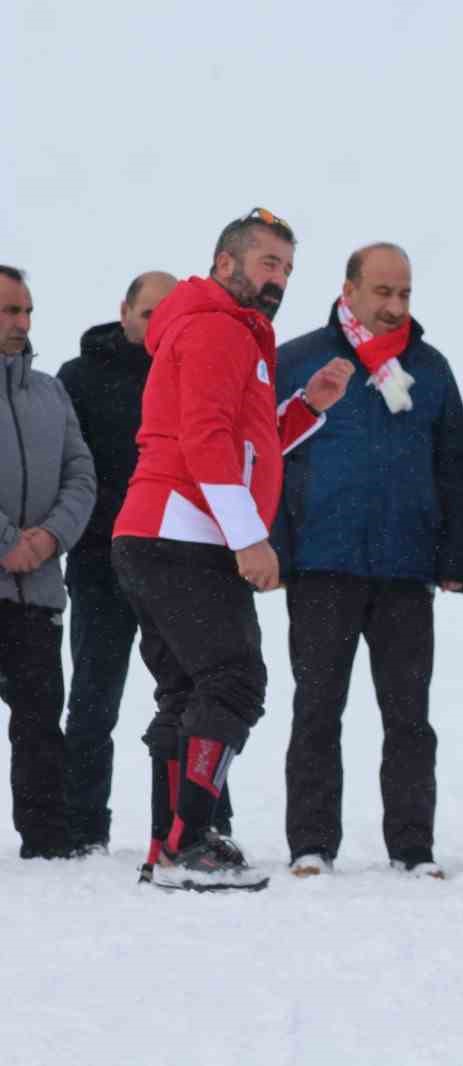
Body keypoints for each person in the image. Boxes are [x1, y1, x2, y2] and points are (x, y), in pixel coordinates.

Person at [112, 209, 355, 891]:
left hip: (156, 530)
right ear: (226, 264)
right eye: (267, 263)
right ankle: (189, 846)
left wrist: (306, 406)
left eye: (286, 268)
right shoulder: (218, 326)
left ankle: (172, 843)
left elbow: (242, 443)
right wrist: (249, 535)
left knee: (189, 689)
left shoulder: (223, 328)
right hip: (183, 531)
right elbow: (207, 441)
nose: (278, 279)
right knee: (233, 681)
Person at [271, 242, 463, 879]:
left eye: (404, 294)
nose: (394, 306)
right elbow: (267, 458)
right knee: (316, 708)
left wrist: (455, 555)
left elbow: (455, 468)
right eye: (382, 292)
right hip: (321, 563)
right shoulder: (298, 360)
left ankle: (413, 848)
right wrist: (275, 546)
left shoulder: (431, 369)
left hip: (405, 569)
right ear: (349, 290)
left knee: (410, 717)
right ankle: (310, 845)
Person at [57, 271, 189, 855]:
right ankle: (83, 827)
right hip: (99, 562)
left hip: (173, 562)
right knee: (92, 697)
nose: (156, 324)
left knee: (191, 695)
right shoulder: (78, 377)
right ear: (124, 311)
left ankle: (202, 818)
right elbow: (70, 468)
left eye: (168, 313)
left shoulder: (190, 369)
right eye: (146, 313)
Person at [0, 265, 96, 860]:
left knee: (39, 722)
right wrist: (5, 539)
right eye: (10, 311)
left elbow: (81, 475)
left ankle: (47, 844)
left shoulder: (51, 392)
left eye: (27, 311)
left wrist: (46, 541)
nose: (22, 322)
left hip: (36, 591)